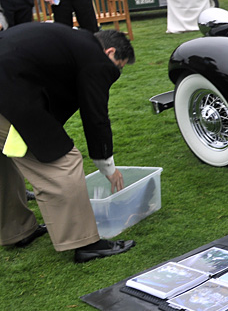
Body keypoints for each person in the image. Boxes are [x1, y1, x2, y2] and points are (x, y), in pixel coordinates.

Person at [0, 23, 136, 262]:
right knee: (62, 163)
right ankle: (85, 243)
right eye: (117, 68)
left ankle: (17, 231)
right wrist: (108, 167)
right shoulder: (94, 57)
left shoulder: (72, 41)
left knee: (4, 164)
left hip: (8, 87)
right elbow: (96, 116)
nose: (113, 74)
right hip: (7, 94)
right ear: (111, 53)